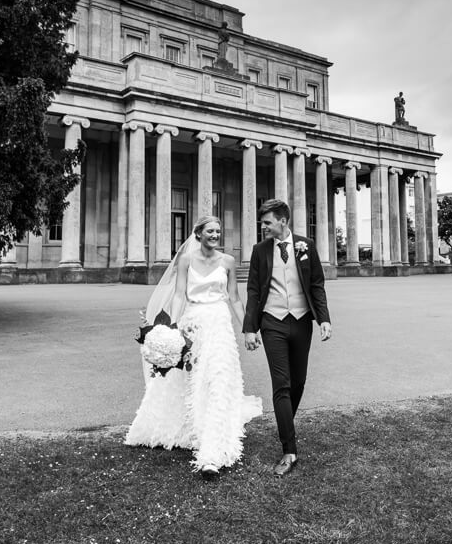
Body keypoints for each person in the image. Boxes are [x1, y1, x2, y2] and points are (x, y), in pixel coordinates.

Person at [124, 216, 262, 476]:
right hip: (193, 323)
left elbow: (233, 298)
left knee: (219, 377)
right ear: (198, 234)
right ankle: (189, 427)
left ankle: (212, 449)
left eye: (218, 231)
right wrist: (172, 327)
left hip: (219, 324)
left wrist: (248, 328)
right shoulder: (186, 260)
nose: (215, 235)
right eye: (210, 231)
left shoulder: (228, 262)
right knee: (190, 380)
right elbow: (179, 294)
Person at [242, 199, 332, 477]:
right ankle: (289, 449)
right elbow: (254, 290)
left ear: (283, 220)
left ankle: (284, 424)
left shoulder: (307, 246)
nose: (263, 226)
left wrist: (324, 319)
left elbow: (317, 285)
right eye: (263, 222)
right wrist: (250, 327)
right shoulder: (260, 250)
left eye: (267, 221)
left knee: (299, 382)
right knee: (281, 384)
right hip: (272, 322)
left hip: (302, 321)